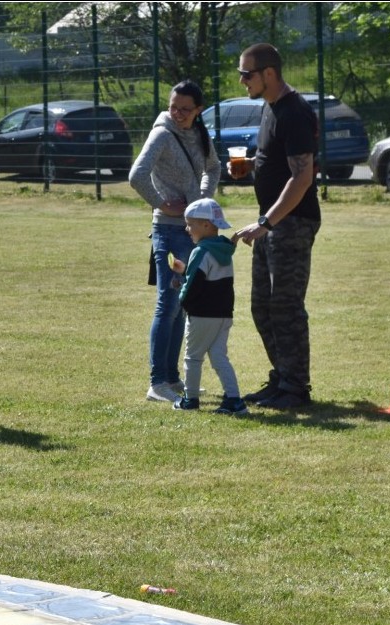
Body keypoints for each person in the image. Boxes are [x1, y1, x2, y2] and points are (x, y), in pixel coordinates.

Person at [230, 44, 320, 410]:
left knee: (285, 306)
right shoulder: (271, 109)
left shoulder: (295, 111)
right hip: (270, 222)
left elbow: (302, 177)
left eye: (246, 73)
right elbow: (281, 162)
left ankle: (296, 388)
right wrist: (252, 165)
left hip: (291, 223)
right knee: (261, 307)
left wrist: (267, 222)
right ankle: (281, 377)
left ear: (269, 73)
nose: (241, 80)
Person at [129, 80, 221, 404]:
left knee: (181, 304)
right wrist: (161, 203)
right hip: (168, 232)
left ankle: (171, 378)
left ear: (198, 111)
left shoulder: (199, 134)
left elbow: (213, 166)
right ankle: (157, 383)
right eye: (173, 107)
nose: (177, 113)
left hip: (191, 232)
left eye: (185, 109)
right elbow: (136, 175)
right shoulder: (162, 134)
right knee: (167, 305)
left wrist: (201, 199)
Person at [169, 199, 247, 415]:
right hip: (223, 315)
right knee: (219, 357)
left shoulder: (200, 251)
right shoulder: (224, 249)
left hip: (201, 315)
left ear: (206, 225)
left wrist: (183, 299)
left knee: (192, 357)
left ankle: (190, 400)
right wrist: (184, 273)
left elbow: (194, 285)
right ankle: (234, 400)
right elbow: (207, 278)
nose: (187, 228)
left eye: (190, 224)